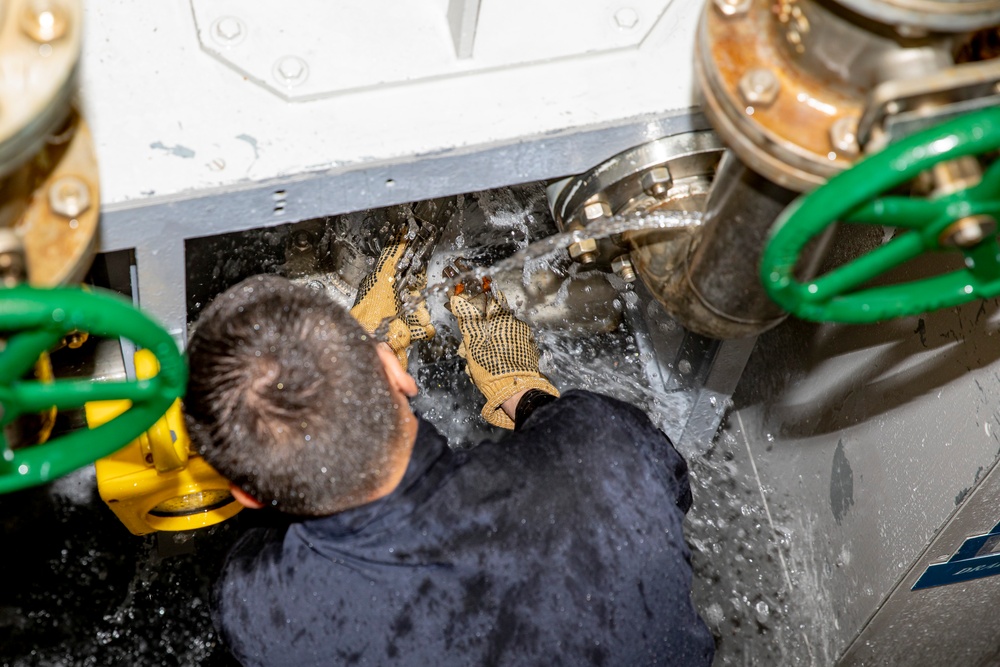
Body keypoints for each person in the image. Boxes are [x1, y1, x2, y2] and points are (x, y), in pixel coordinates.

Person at [184, 228, 716, 667]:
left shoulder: (266, 610)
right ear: (397, 372)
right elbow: (670, 492)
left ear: (246, 496)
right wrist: (521, 391)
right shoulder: (606, 451)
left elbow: (267, 540)